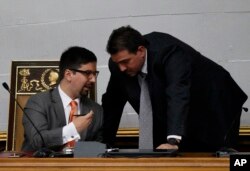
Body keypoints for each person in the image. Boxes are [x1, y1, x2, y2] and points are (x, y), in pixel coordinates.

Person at [102, 25, 248, 152]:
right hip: (180, 116)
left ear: (140, 51)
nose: (121, 68)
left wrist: (172, 140)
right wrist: (104, 145)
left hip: (216, 104)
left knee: (215, 158)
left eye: (125, 62)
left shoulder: (169, 51)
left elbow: (177, 92)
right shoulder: (117, 66)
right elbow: (112, 104)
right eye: (117, 63)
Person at [22, 46, 103, 151]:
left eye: (95, 74)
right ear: (68, 75)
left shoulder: (96, 110)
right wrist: (73, 129)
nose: (93, 80)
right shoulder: (37, 103)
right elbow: (36, 141)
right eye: (88, 73)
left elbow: (99, 150)